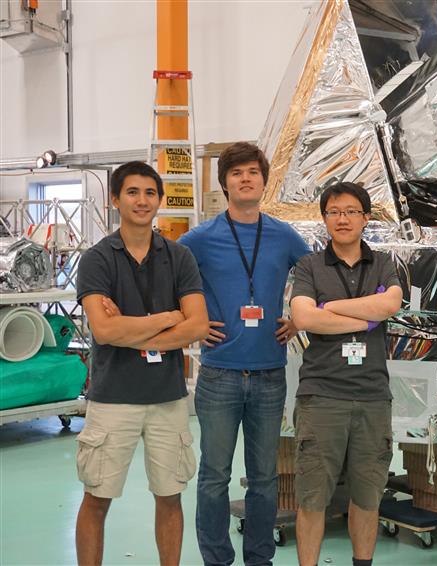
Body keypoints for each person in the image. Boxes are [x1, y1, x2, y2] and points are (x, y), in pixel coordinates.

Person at [178, 142, 311, 566]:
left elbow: (315, 277)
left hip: (270, 375)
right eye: (237, 173)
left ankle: (260, 558)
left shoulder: (284, 235)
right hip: (219, 376)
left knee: (264, 479)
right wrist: (194, 322)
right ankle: (216, 559)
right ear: (225, 182)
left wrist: (297, 317)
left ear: (264, 180)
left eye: (253, 171)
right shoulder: (199, 238)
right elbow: (171, 277)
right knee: (214, 477)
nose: (246, 178)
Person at [74, 161, 209, 566]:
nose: (142, 200)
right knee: (97, 498)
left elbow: (199, 324)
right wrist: (169, 318)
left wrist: (130, 329)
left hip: (167, 398)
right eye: (132, 192)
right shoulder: (97, 259)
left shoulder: (179, 256)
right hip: (113, 398)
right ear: (115, 199)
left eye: (150, 193)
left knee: (170, 496)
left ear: (160, 201)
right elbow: (102, 331)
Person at [289, 181, 402, 566]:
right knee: (312, 497)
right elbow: (303, 317)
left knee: (368, 497)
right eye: (334, 211)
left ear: (366, 218)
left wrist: (332, 308)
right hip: (321, 396)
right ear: (324, 219)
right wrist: (363, 318)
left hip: (372, 396)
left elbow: (390, 304)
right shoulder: (309, 265)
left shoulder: (383, 262)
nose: (343, 219)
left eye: (352, 211)